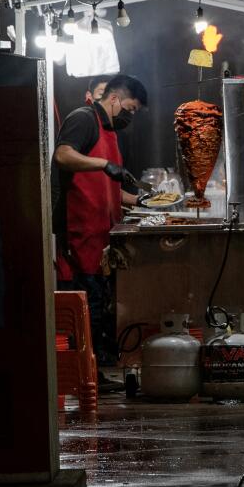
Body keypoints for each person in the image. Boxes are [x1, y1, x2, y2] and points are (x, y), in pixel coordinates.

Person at [52, 74, 147, 386]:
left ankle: (97, 372)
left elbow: (107, 188)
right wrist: (102, 164)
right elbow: (63, 155)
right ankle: (86, 375)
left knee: (100, 307)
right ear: (115, 98)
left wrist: (143, 201)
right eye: (130, 109)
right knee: (88, 307)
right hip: (81, 232)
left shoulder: (110, 131)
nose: (130, 116)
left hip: (103, 236)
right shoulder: (83, 119)